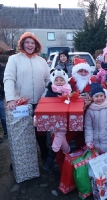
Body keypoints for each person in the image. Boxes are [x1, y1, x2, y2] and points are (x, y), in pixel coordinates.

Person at [4, 32, 50, 161]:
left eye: (32, 43)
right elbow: (9, 79)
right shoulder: (14, 59)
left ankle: (45, 155)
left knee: (41, 132)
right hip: (21, 105)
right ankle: (22, 161)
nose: (30, 45)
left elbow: (48, 80)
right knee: (22, 134)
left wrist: (51, 93)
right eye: (27, 42)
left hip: (40, 103)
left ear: (36, 45)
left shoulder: (41, 61)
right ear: (22, 44)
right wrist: (10, 99)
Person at [35, 69, 72, 171]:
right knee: (60, 135)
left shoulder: (69, 90)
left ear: (65, 81)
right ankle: (68, 152)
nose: (59, 82)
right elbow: (41, 106)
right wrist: (36, 117)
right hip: (53, 119)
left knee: (60, 133)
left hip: (65, 118)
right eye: (57, 80)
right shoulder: (49, 91)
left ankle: (51, 156)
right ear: (53, 81)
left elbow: (73, 104)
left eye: (61, 79)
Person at [84, 82, 107, 153]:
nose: (99, 98)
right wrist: (89, 141)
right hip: (95, 143)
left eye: (101, 96)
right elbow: (88, 127)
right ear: (92, 97)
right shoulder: (90, 110)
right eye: (96, 96)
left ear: (104, 96)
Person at [0, 63, 8, 142]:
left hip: (0, 96)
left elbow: (4, 81)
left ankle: (6, 131)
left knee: (2, 116)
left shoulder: (2, 67)